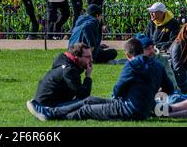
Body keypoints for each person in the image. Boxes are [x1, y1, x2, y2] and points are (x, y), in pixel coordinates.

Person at [26, 38, 174, 121]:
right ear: (142, 51)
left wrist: (119, 97)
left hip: (128, 109)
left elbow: (118, 88)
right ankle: (50, 111)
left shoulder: (132, 66)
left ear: (128, 55)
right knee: (89, 100)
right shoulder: (158, 66)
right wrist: (150, 96)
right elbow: (169, 89)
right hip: (142, 109)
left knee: (86, 109)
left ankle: (50, 114)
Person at [32, 43, 93, 107]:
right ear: (76, 57)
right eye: (87, 57)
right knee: (89, 103)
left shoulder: (64, 63)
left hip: (47, 102)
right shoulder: (69, 70)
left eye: (91, 56)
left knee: (93, 102)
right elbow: (84, 96)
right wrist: (88, 76)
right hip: (49, 106)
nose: (91, 60)